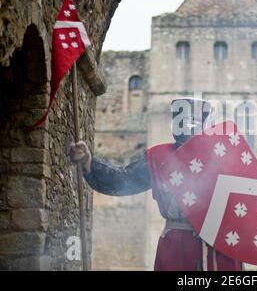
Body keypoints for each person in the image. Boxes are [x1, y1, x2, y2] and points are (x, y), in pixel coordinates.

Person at [69, 98, 242, 271]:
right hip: (177, 249)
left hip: (219, 249)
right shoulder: (160, 157)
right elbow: (124, 180)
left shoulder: (222, 156)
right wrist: (88, 161)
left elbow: (242, 207)